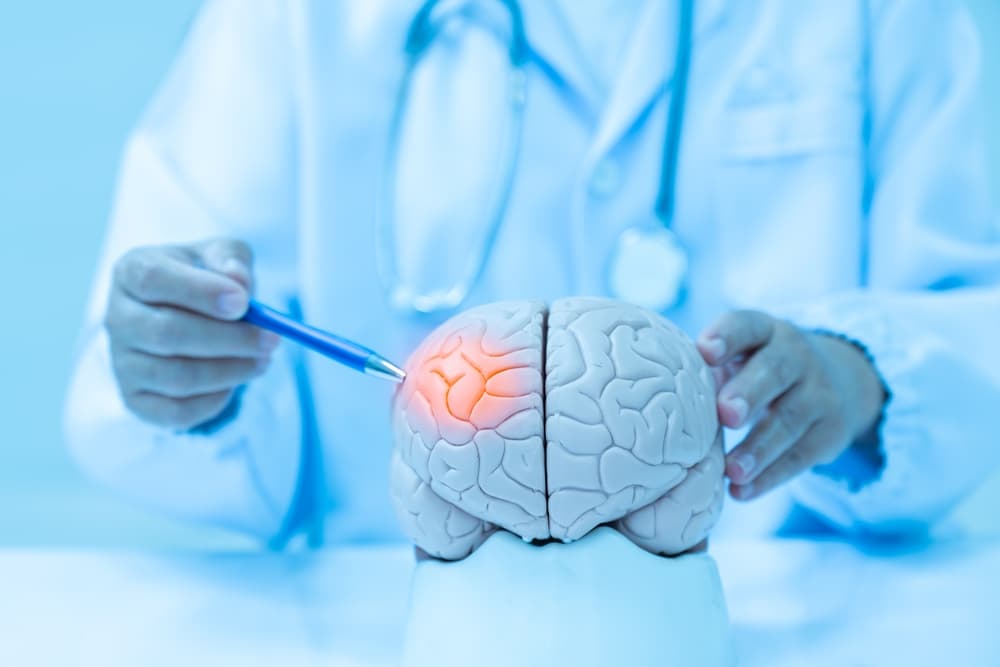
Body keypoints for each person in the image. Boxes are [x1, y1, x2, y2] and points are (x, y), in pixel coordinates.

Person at [65, 0, 1000, 547]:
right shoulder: (291, 20)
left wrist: (860, 374)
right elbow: (158, 336)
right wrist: (185, 371)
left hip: (789, 615)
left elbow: (974, 322)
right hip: (393, 617)